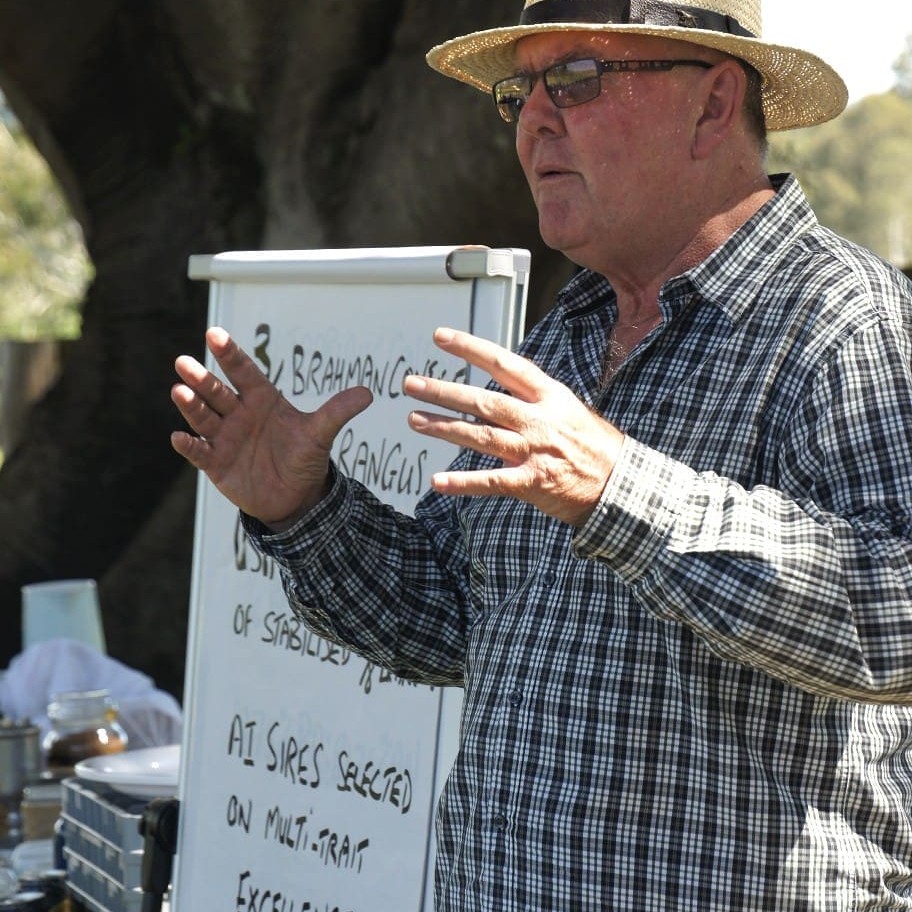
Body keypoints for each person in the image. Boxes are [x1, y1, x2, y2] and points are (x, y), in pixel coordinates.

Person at [171, 0, 912, 908]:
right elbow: (450, 621)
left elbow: (902, 619)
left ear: (715, 104)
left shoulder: (843, 322)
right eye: (521, 91)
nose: (534, 120)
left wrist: (619, 489)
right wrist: (305, 509)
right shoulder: (565, 335)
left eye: (575, 79)